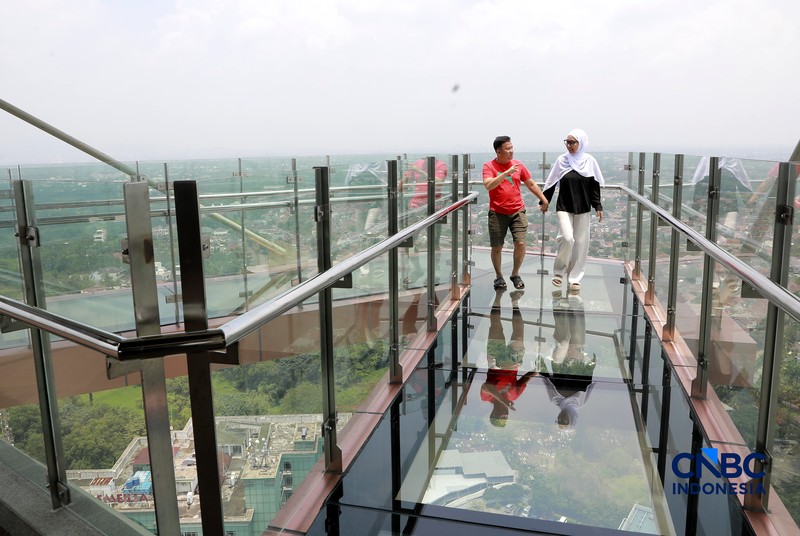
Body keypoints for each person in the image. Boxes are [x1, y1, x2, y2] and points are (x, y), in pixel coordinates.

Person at [482, 136, 549, 291]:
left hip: (517, 211)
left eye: (512, 148)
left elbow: (531, 183)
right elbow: (488, 185)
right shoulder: (489, 166)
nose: (511, 151)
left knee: (520, 243)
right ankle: (499, 276)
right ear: (498, 151)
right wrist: (505, 173)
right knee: (497, 246)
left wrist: (543, 199)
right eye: (508, 148)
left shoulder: (518, 165)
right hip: (497, 212)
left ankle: (515, 274)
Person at [542, 129, 604, 293]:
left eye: (572, 142)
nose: (569, 145)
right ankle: (559, 272)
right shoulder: (562, 160)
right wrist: (544, 201)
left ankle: (574, 278)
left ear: (581, 143)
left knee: (581, 243)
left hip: (583, 207)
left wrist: (597, 205)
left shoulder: (589, 161)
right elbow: (551, 182)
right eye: (567, 142)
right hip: (564, 206)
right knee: (567, 238)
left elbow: (594, 186)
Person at [480, 289, 538, 427]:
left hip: (495, 362)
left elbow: (487, 386)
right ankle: (515, 302)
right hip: (513, 363)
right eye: (506, 417)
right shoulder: (514, 396)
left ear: (493, 414)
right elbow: (525, 380)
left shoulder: (486, 398)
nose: (506, 414)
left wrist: (501, 399)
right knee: (519, 332)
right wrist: (537, 370)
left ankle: (498, 295)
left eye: (502, 416)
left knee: (495, 325)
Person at [539, 294, 595, 431]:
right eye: (564, 421)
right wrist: (588, 361)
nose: (561, 418)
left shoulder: (555, 400)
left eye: (559, 420)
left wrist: (538, 362)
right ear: (572, 419)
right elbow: (587, 380)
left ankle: (558, 303)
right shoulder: (580, 402)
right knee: (578, 327)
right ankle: (574, 301)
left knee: (563, 340)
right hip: (577, 358)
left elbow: (547, 379)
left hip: (560, 361)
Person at [400, 157, 448, 284]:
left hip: (434, 207)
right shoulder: (417, 163)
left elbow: (438, 182)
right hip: (415, 207)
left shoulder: (440, 164)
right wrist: (405, 177)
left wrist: (419, 171)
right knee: (408, 241)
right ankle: (417, 269)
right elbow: (401, 188)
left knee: (434, 243)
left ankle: (433, 273)